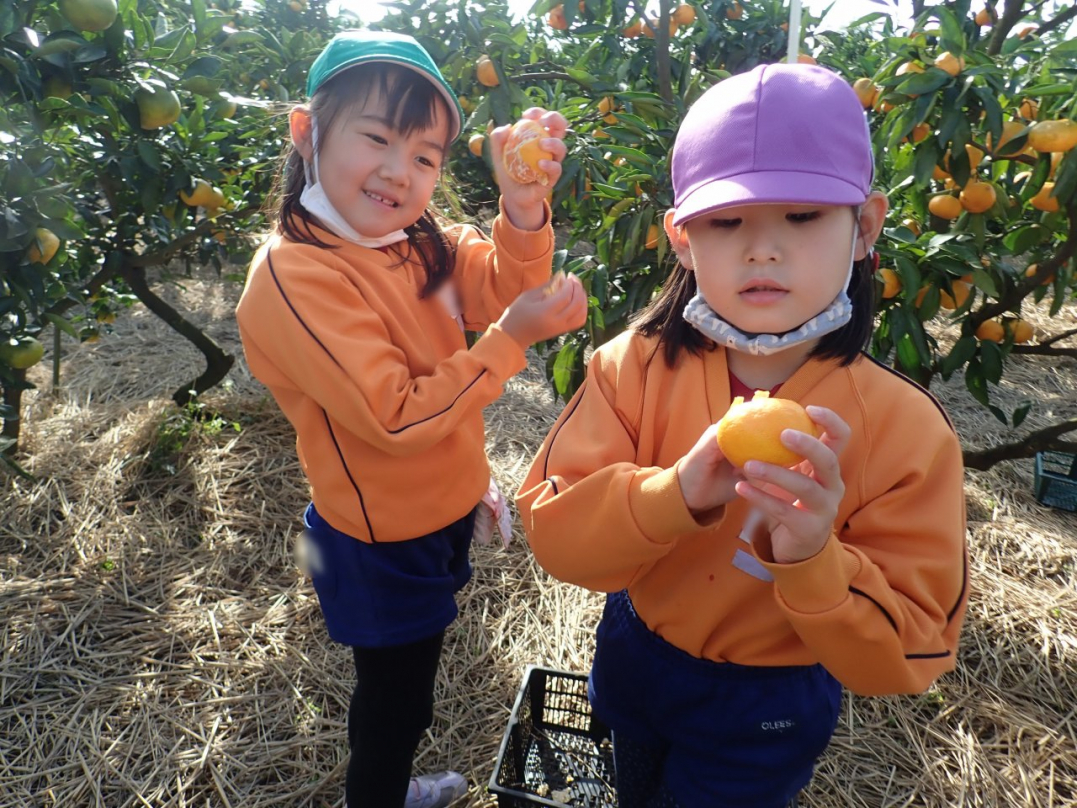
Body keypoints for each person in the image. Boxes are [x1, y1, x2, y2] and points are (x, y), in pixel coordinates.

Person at [516, 63, 968, 808]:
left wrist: (813, 557)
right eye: (725, 222)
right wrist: (673, 494)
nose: (762, 249)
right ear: (682, 240)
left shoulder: (902, 430)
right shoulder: (630, 368)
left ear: (864, 227)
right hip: (637, 655)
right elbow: (556, 537)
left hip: (767, 701)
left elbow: (910, 650)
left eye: (801, 217)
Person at [235, 30, 587, 808]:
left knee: (409, 685)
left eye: (426, 155)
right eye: (378, 138)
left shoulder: (414, 238)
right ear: (307, 131)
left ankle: (389, 786)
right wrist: (510, 343)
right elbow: (392, 419)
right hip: (379, 538)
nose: (401, 170)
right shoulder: (296, 274)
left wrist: (522, 209)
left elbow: (491, 285)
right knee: (394, 705)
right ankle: (381, 794)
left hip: (436, 510)